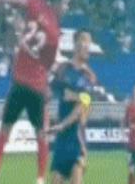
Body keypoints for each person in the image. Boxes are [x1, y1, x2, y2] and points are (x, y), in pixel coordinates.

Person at [0, 0, 70, 184]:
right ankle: (40, 180)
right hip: (36, 89)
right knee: (41, 137)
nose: (66, 8)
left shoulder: (35, 3)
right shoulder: (54, 31)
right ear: (56, 1)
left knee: (4, 131)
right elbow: (49, 65)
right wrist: (49, 84)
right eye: (65, 3)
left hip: (20, 84)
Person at [49, 30, 96, 184]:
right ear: (75, 44)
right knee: (56, 180)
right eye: (84, 40)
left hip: (77, 137)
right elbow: (50, 92)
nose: (88, 45)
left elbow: (85, 104)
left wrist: (75, 96)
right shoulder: (63, 69)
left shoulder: (88, 75)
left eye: (89, 42)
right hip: (62, 138)